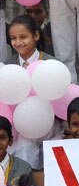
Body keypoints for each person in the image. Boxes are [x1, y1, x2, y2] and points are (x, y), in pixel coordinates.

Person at [6, 15, 63, 169]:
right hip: (18, 128)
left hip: (49, 124)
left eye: (23, 37)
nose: (18, 42)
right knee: (24, 148)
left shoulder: (51, 64)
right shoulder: (7, 67)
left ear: (36, 35)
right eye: (13, 38)